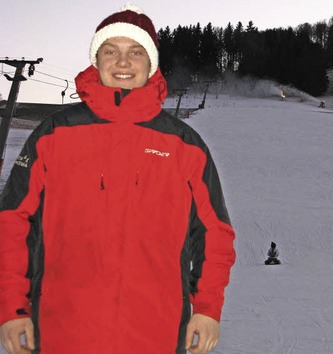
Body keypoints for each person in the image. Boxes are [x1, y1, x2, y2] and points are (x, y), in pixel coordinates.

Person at [0, 5, 236, 354]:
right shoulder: (55, 133)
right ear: (97, 61)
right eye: (111, 51)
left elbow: (215, 231)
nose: (123, 62)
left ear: (151, 63)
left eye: (135, 52)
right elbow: (12, 221)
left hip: (156, 332)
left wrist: (207, 308)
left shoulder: (184, 144)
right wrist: (12, 307)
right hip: (61, 331)